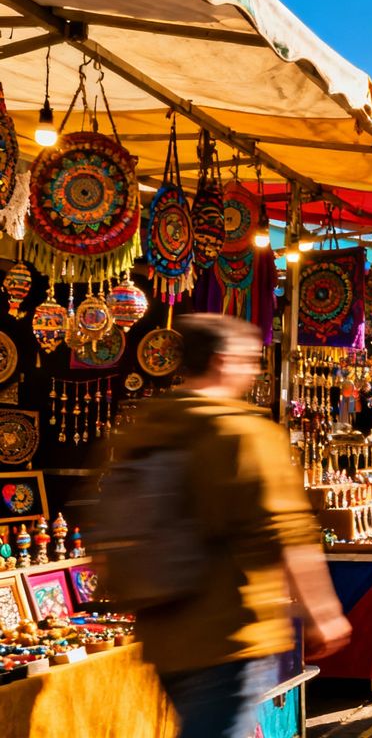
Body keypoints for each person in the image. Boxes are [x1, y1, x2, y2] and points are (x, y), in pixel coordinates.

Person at [101, 314, 351, 737]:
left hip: (162, 629)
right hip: (228, 630)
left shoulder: (145, 425)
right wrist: (322, 612)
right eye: (249, 361)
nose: (254, 372)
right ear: (222, 361)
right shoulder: (241, 431)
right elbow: (284, 531)